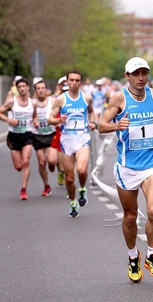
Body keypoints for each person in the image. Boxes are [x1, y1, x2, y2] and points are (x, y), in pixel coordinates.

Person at [98, 57, 153, 283]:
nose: (141, 78)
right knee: (130, 216)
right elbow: (100, 125)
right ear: (127, 76)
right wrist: (116, 125)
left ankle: (152, 256)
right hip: (127, 167)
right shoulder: (119, 98)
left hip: (152, 164)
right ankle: (133, 256)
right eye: (136, 74)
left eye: (144, 73)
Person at [48, 69, 97, 218]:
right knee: (69, 178)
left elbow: (91, 112)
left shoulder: (87, 98)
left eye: (77, 80)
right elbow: (50, 118)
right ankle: (73, 201)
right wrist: (58, 120)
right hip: (67, 139)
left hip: (82, 137)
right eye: (72, 80)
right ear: (67, 82)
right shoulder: (60, 100)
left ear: (80, 82)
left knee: (81, 170)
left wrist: (93, 122)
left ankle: (82, 188)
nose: (74, 83)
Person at [0, 78, 37, 200]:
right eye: (19, 86)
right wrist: (9, 120)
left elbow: (35, 115)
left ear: (27, 88)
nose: (22, 88)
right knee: (18, 166)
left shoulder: (33, 103)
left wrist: (35, 122)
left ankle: (23, 190)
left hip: (27, 133)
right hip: (14, 135)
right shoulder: (12, 102)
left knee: (26, 161)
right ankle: (20, 171)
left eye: (23, 86)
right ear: (17, 88)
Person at [32, 80, 57, 196]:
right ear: (35, 91)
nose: (41, 90)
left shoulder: (52, 101)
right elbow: (28, 117)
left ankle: (52, 164)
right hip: (37, 135)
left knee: (51, 160)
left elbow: (60, 112)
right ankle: (46, 185)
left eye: (43, 88)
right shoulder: (32, 103)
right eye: (38, 88)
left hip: (51, 134)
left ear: (46, 90)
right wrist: (34, 122)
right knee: (42, 162)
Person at [51, 76, 67, 186]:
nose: (65, 85)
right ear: (59, 86)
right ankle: (60, 170)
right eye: (62, 84)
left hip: (72, 133)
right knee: (58, 162)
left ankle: (69, 179)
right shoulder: (55, 99)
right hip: (58, 132)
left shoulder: (76, 97)